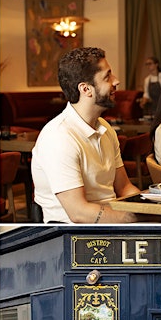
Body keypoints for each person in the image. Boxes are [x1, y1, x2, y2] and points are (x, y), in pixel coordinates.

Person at [31, 47, 140, 223]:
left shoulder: (105, 128)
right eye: (107, 77)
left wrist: (151, 208)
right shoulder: (58, 137)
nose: (116, 81)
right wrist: (135, 218)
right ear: (86, 89)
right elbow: (79, 212)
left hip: (111, 224)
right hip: (71, 234)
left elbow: (125, 187)